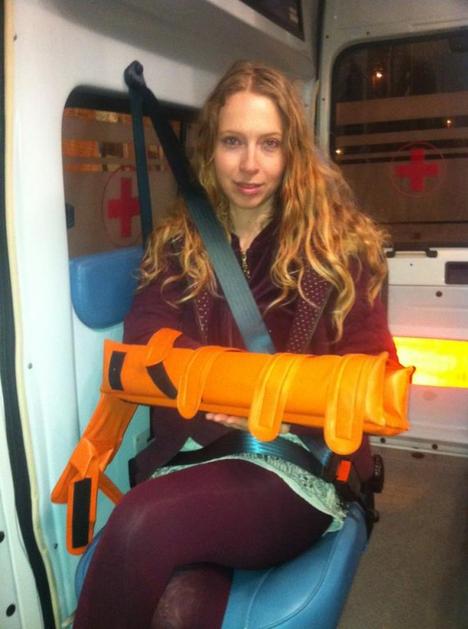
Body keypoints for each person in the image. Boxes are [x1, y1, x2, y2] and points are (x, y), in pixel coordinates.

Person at [74, 60, 397, 628]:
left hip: (296, 464)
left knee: (144, 523)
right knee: (177, 606)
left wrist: (268, 401)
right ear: (210, 149)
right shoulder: (178, 245)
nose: (251, 164)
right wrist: (227, 386)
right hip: (191, 455)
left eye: (269, 143)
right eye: (233, 142)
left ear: (292, 151)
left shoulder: (341, 249)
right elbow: (146, 344)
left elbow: (371, 372)